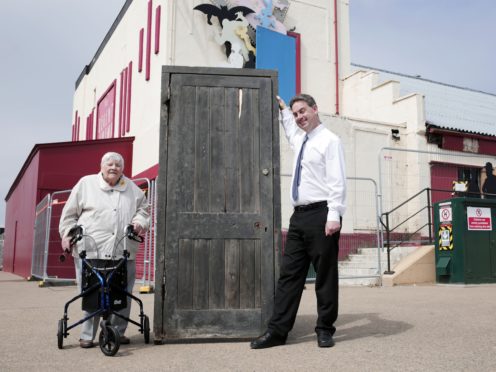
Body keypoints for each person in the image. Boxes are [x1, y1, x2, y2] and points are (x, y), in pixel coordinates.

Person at [250, 94, 346, 349]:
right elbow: (290, 128)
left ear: (315, 109)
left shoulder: (330, 141)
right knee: (289, 276)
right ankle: (278, 332)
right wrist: (283, 109)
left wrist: (334, 214)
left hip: (322, 215)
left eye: (303, 111)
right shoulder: (300, 138)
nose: (299, 117)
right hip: (299, 217)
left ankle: (325, 329)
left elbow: (337, 181)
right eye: (296, 114)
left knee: (325, 277)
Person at [59, 152, 150, 349]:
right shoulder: (86, 184)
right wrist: (66, 234)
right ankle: (87, 335)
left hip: (123, 249)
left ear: (122, 169)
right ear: (101, 166)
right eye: (109, 163)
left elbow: (144, 210)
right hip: (90, 249)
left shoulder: (132, 189)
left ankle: (117, 331)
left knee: (123, 292)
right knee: (90, 291)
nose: (114, 167)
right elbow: (69, 214)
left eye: (118, 165)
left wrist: (139, 221)